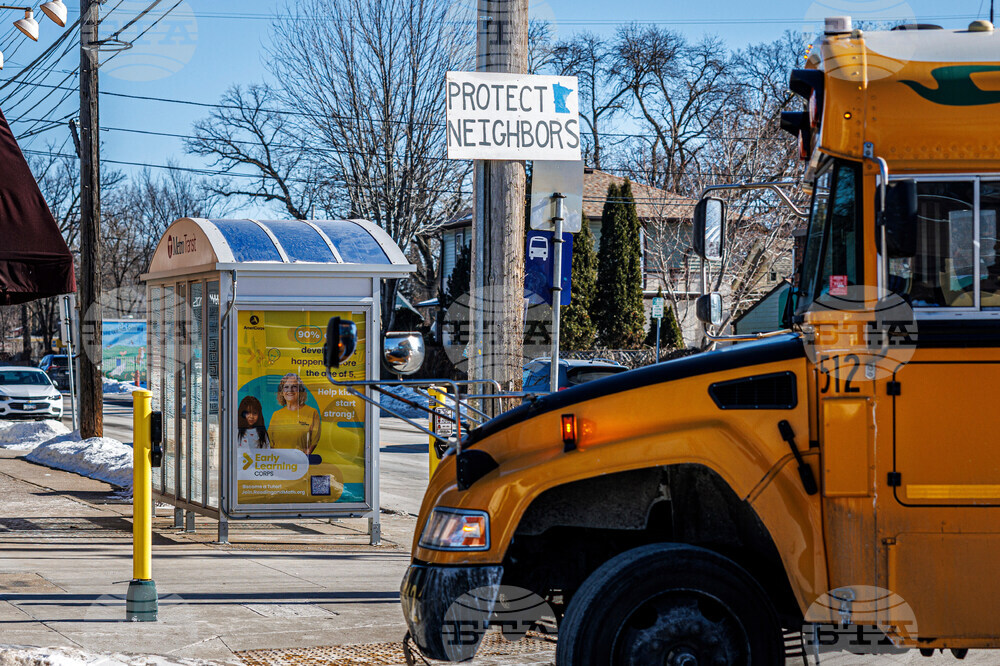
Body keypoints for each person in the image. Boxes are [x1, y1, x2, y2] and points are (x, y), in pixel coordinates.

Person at [268, 373, 321, 454]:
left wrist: (303, 459)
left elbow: (314, 441)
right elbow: (270, 443)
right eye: (286, 387)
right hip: (279, 463)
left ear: (300, 390)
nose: (290, 390)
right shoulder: (276, 415)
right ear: (282, 392)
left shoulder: (312, 413)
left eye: (294, 386)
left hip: (299, 463)